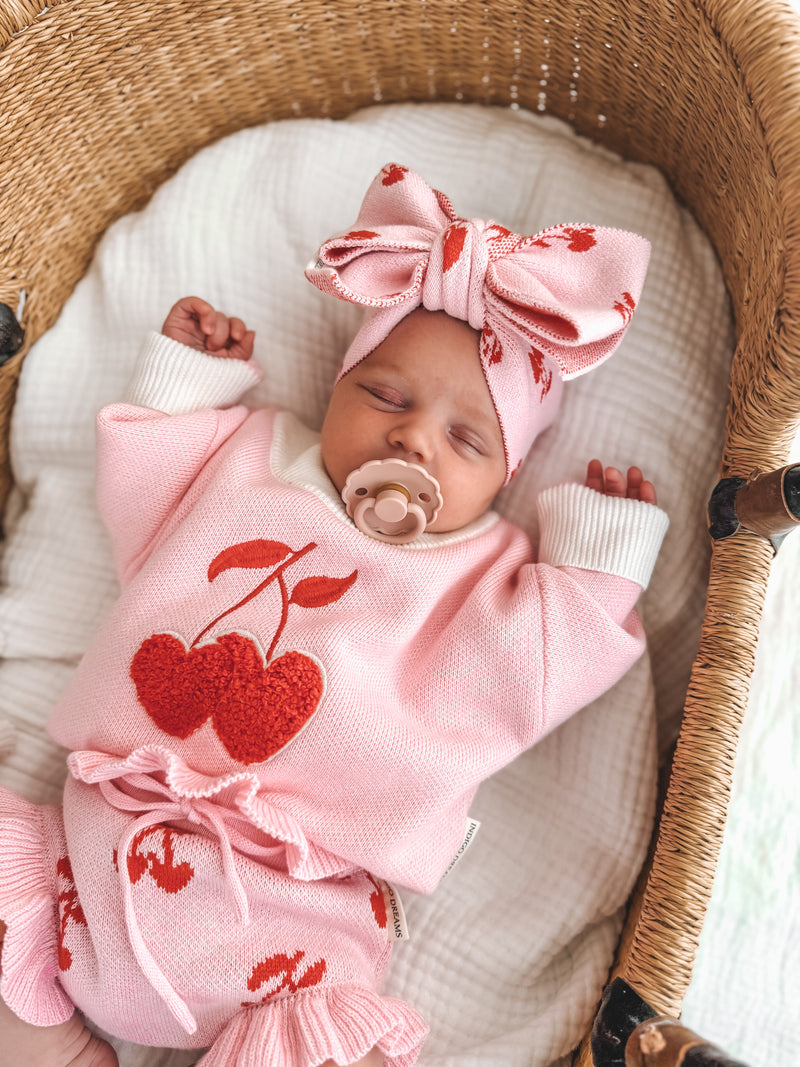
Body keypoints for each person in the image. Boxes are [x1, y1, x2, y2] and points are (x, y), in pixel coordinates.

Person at [0, 164, 668, 1067]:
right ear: (341, 383)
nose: (413, 437)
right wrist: (191, 380)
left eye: (468, 438)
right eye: (385, 395)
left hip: (290, 924)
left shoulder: (484, 575)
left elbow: (541, 668)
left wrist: (599, 551)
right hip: (96, 848)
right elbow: (144, 492)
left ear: (508, 476)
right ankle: (47, 1044)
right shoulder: (253, 457)